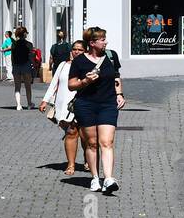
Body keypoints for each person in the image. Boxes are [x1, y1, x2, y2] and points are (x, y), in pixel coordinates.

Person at [67, 25, 125, 194]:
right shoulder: (79, 61)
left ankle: (108, 178)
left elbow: (116, 77)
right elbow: (71, 85)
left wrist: (119, 94)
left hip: (107, 104)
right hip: (86, 105)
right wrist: (85, 81)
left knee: (106, 142)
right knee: (92, 144)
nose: (105, 42)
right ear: (92, 43)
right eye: (102, 39)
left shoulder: (111, 56)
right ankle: (95, 178)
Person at [40, 39, 85, 174]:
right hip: (65, 104)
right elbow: (54, 83)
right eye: (75, 49)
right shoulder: (63, 65)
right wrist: (45, 101)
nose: (77, 52)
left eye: (80, 49)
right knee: (71, 132)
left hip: (84, 103)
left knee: (85, 136)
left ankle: (88, 160)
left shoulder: (88, 65)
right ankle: (71, 164)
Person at [11, 26, 35, 110]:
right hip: (26, 66)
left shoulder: (14, 44)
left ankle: (18, 105)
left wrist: (13, 66)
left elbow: (12, 57)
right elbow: (31, 57)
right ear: (25, 34)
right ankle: (29, 104)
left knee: (17, 86)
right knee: (28, 86)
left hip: (16, 66)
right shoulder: (29, 44)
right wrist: (33, 66)